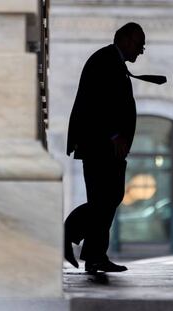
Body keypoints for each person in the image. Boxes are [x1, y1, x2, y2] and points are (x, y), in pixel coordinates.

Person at [65, 23, 147, 273]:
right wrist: (114, 135)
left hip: (104, 146)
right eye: (139, 43)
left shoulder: (111, 61)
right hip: (100, 146)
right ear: (123, 39)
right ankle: (71, 235)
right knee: (105, 200)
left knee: (106, 199)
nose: (141, 50)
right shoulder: (105, 60)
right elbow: (95, 105)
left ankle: (94, 255)